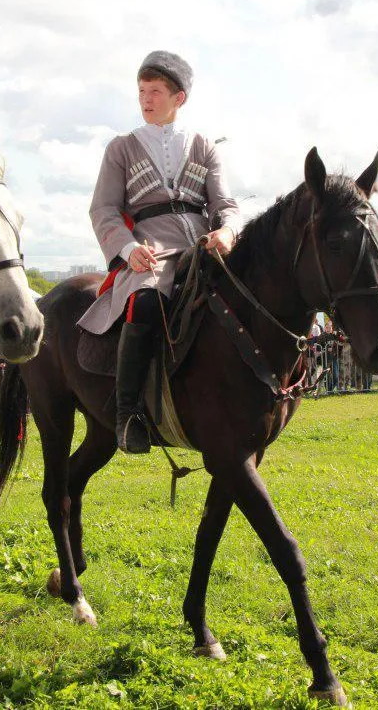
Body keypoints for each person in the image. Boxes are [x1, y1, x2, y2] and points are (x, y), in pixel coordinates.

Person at [79, 50, 242, 453]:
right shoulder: (121, 148)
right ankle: (128, 413)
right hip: (150, 247)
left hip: (204, 243)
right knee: (146, 301)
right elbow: (103, 209)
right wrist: (127, 248)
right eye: (141, 91)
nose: (145, 99)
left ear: (178, 98)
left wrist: (228, 230)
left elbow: (226, 205)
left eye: (154, 91)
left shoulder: (204, 145)